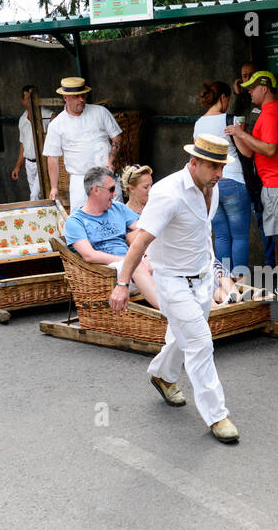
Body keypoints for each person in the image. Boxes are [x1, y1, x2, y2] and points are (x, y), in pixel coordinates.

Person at [110, 133, 240, 444]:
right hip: (172, 281)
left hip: (202, 278)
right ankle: (217, 415)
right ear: (194, 162)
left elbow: (202, 233)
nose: (220, 173)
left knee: (183, 338)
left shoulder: (213, 186)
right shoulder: (168, 193)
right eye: (214, 166)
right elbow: (140, 241)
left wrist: (217, 273)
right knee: (200, 343)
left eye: (222, 166)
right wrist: (122, 284)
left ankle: (161, 374)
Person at [224, 70, 278, 296]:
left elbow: (270, 149)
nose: (249, 93)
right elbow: (253, 152)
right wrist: (240, 134)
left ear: (264, 89)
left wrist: (242, 135)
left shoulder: (270, 114)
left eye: (252, 88)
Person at [64, 166, 158, 307]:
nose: (115, 194)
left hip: (132, 267)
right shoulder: (75, 221)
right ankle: (169, 314)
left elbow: (145, 232)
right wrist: (130, 260)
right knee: (137, 265)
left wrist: (146, 256)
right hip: (105, 272)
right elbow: (90, 256)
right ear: (96, 190)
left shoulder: (118, 208)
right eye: (111, 189)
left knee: (164, 260)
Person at [43, 77, 123, 212]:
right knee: (82, 220)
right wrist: (54, 187)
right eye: (76, 96)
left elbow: (117, 136)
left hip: (106, 174)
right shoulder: (56, 124)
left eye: (83, 95)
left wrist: (111, 160)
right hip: (80, 180)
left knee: (116, 215)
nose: (82, 99)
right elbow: (53, 158)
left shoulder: (100, 112)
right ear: (65, 97)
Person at [195, 80, 249, 276]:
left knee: (222, 236)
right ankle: (241, 281)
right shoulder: (231, 120)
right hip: (233, 180)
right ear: (224, 98)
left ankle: (224, 281)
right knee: (240, 236)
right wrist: (242, 134)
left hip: (211, 184)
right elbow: (247, 152)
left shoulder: (198, 124)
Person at [232, 60, 273, 269]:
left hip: (262, 172)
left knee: (268, 221)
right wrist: (237, 92)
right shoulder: (245, 101)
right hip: (249, 171)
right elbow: (233, 118)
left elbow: (261, 145)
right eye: (243, 76)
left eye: (250, 76)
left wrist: (241, 135)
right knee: (260, 219)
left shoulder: (266, 108)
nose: (247, 81)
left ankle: (271, 264)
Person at [9, 85, 49, 202]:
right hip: (29, 164)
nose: (31, 101)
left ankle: (36, 219)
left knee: (35, 195)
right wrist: (17, 167)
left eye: (33, 97)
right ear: (23, 101)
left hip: (43, 162)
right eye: (28, 98)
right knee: (35, 194)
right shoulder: (22, 119)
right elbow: (23, 145)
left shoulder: (46, 114)